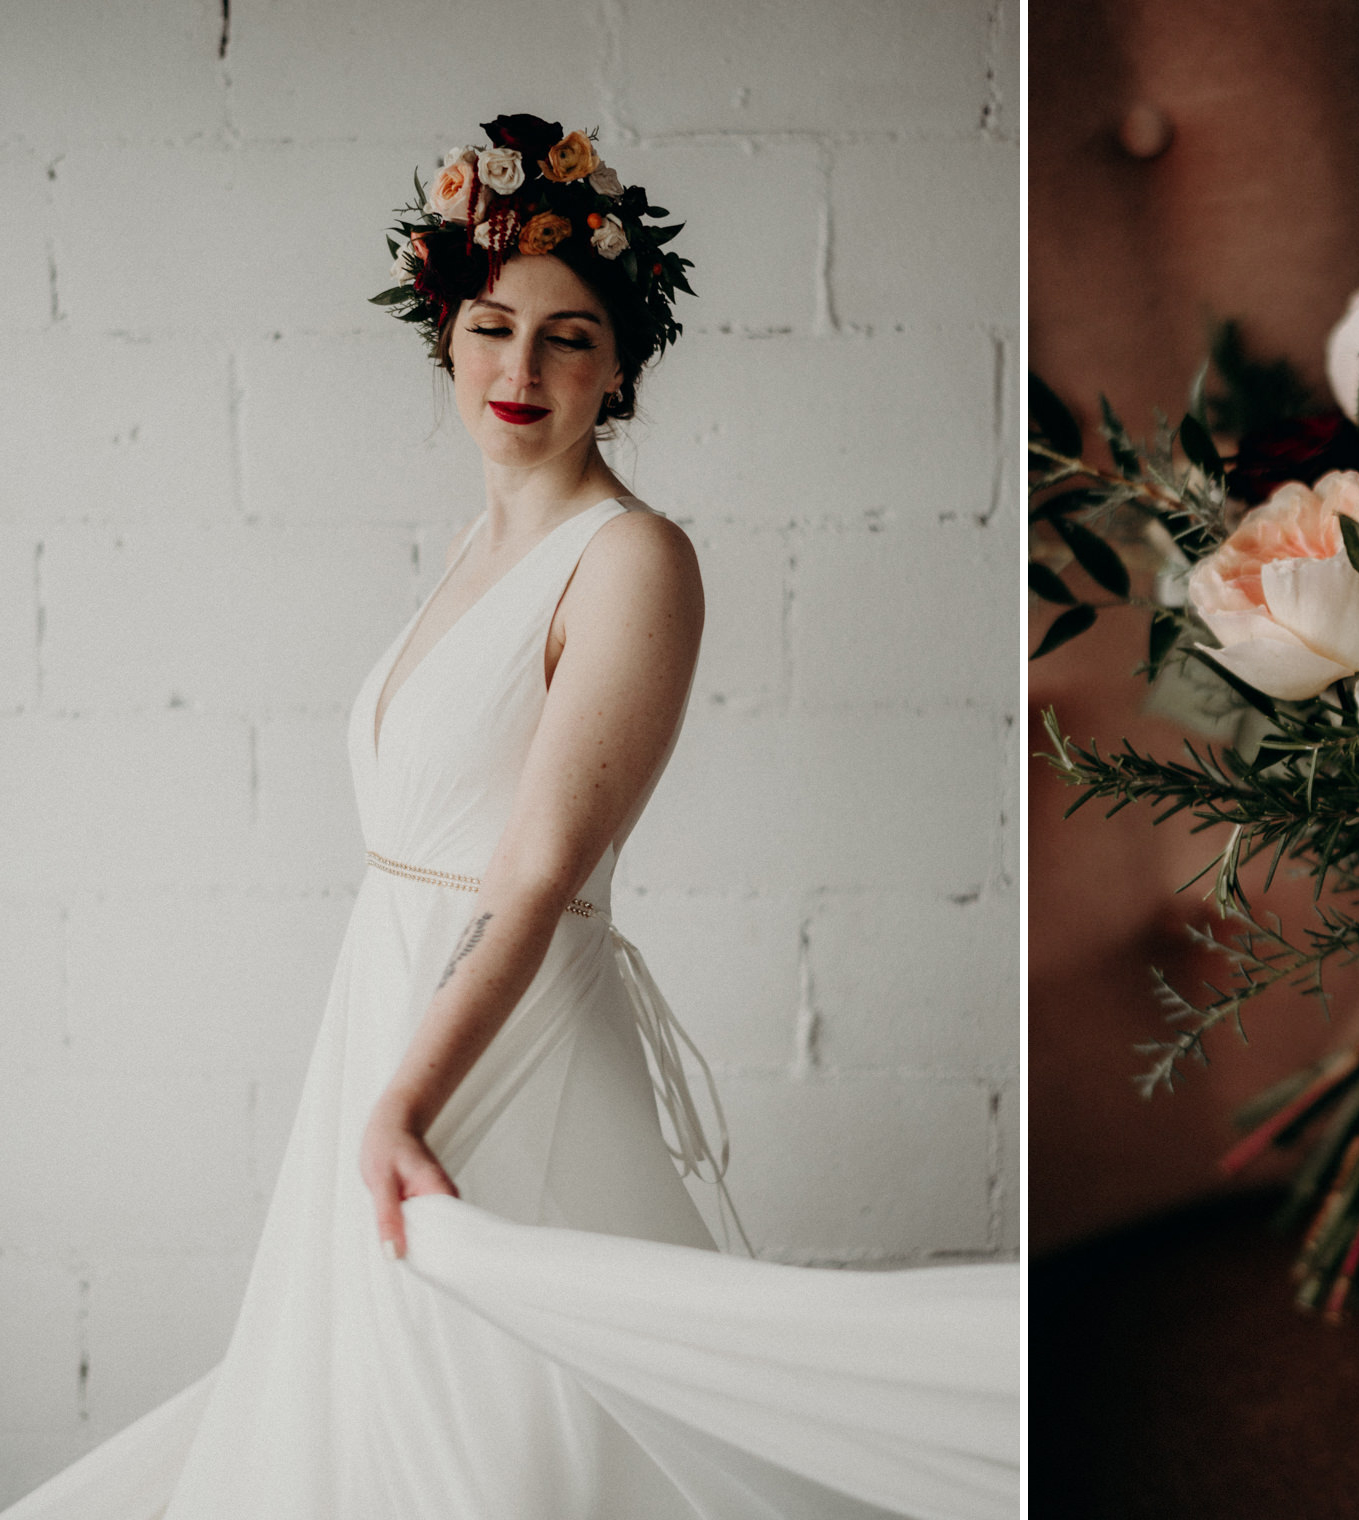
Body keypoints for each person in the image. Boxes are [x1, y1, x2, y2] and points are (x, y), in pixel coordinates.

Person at [3, 114, 1016, 1520]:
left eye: (569, 336)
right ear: (447, 336)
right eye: (491, 326)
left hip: (498, 1044)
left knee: (502, 1444)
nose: (521, 369)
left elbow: (540, 864)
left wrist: (407, 1098)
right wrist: (376, 1080)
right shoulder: (477, 555)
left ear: (624, 365)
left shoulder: (633, 558)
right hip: (386, 1016)